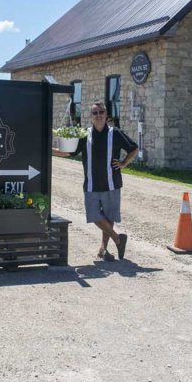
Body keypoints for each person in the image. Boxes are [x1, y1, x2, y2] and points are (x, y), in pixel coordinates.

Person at [53, 100, 138, 261]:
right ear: (91, 116)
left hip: (112, 183)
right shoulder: (85, 135)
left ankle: (103, 249)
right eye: (95, 113)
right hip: (91, 184)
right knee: (93, 214)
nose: (98, 115)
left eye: (101, 112)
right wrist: (49, 150)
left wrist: (124, 163)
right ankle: (118, 239)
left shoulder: (115, 133)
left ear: (106, 115)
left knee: (108, 217)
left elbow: (133, 148)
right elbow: (69, 152)